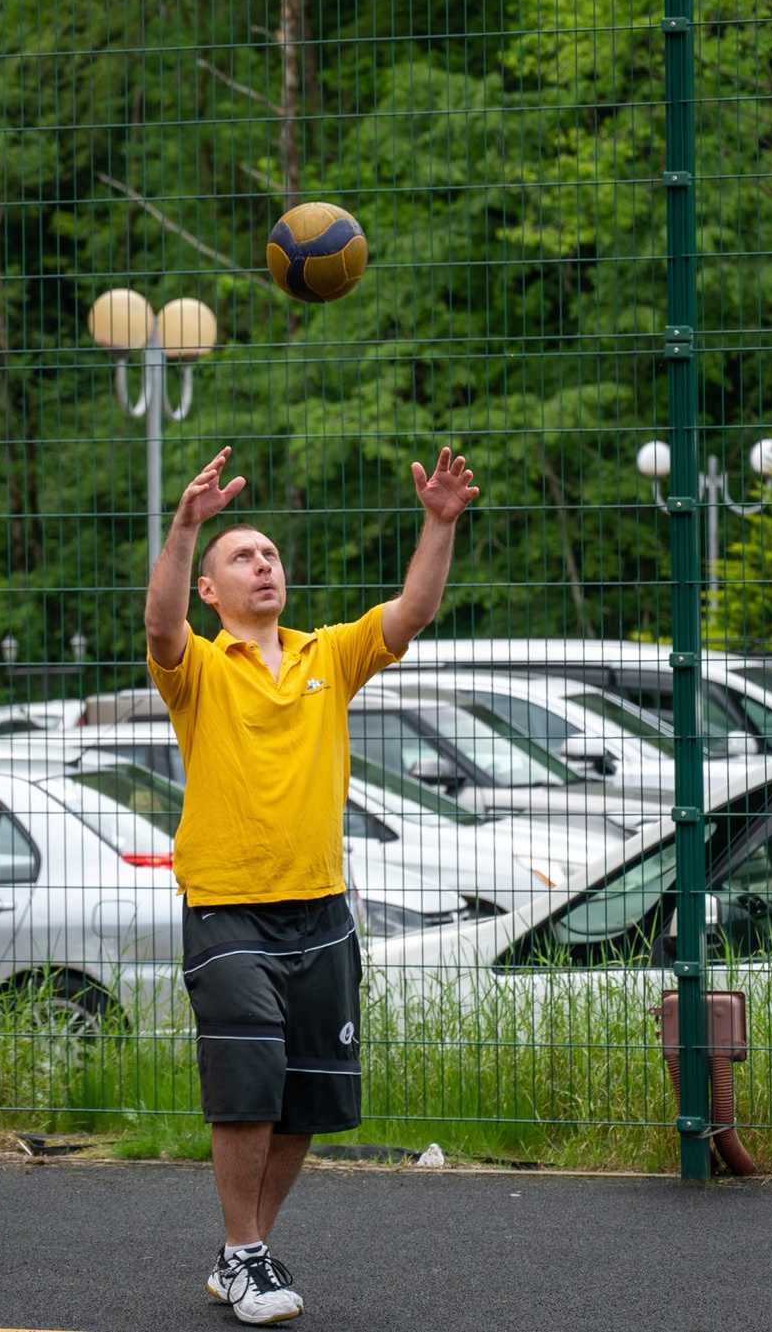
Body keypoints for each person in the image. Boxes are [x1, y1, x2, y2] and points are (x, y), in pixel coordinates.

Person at [145, 442, 477, 1326]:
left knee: (305, 1096)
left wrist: (438, 524)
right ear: (212, 587)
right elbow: (160, 625)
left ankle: (240, 1250)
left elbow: (410, 610)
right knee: (247, 1085)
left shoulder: (330, 655)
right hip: (228, 908)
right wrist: (184, 529)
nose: (264, 564)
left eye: (270, 554)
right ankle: (248, 1253)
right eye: (242, 556)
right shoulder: (201, 670)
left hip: (321, 911)